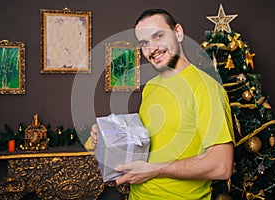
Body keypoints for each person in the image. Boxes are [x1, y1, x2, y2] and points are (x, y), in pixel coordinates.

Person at [89, 8, 235, 199]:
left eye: (158, 36)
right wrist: (108, 136)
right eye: (144, 43)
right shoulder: (151, 86)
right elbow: (149, 144)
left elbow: (221, 166)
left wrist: (154, 170)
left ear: (178, 33)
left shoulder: (206, 88)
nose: (152, 49)